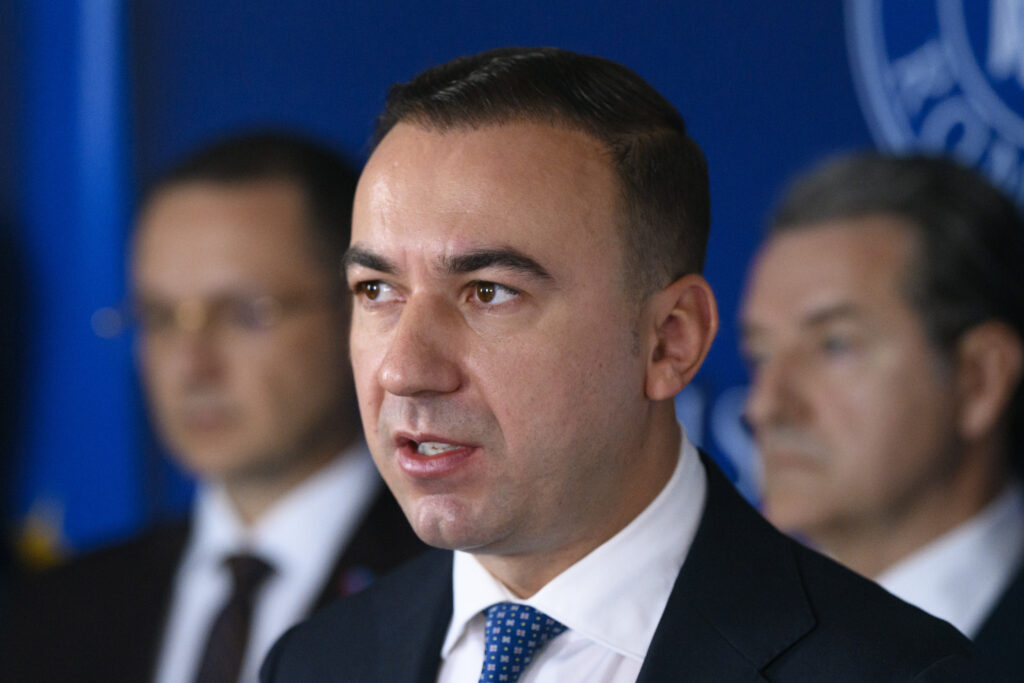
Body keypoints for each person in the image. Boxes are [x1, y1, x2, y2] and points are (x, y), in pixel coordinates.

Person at [258, 49, 993, 682]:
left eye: (489, 292)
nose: (404, 370)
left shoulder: (896, 671)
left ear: (670, 341)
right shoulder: (316, 662)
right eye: (376, 290)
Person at [2, 132, 425, 683]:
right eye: (160, 317)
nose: (192, 366)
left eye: (245, 314)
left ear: (361, 309)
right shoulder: (53, 610)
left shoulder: (452, 585)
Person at [740, 152, 1024, 679]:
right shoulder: (716, 645)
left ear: (979, 379)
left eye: (834, 345)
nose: (764, 406)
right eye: (760, 355)